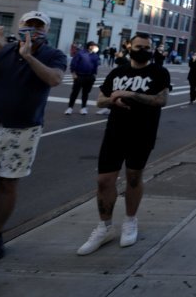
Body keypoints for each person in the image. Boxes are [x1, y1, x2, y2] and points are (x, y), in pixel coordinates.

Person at [76, 33, 170, 256]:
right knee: (104, 180)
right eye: (139, 46)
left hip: (142, 133)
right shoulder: (117, 72)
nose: (143, 50)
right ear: (129, 47)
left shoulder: (158, 72)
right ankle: (104, 227)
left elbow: (161, 100)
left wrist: (131, 94)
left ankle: (130, 221)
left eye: (147, 47)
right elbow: (100, 99)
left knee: (134, 177)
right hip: (114, 132)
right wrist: (113, 100)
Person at [0, 11, 66, 262]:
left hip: (23, 129)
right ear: (19, 26)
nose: (32, 29)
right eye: (28, 25)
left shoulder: (54, 54)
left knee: (7, 183)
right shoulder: (1, 49)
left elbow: (54, 79)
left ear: (47, 30)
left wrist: (29, 57)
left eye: (38, 26)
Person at [65, 41, 101, 115]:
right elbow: (74, 63)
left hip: (90, 76)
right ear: (90, 46)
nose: (95, 48)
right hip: (79, 75)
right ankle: (70, 108)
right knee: (75, 92)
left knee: (86, 93)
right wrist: (73, 73)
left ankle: (83, 108)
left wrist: (94, 75)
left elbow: (96, 65)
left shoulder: (95, 55)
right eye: (94, 46)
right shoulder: (80, 53)